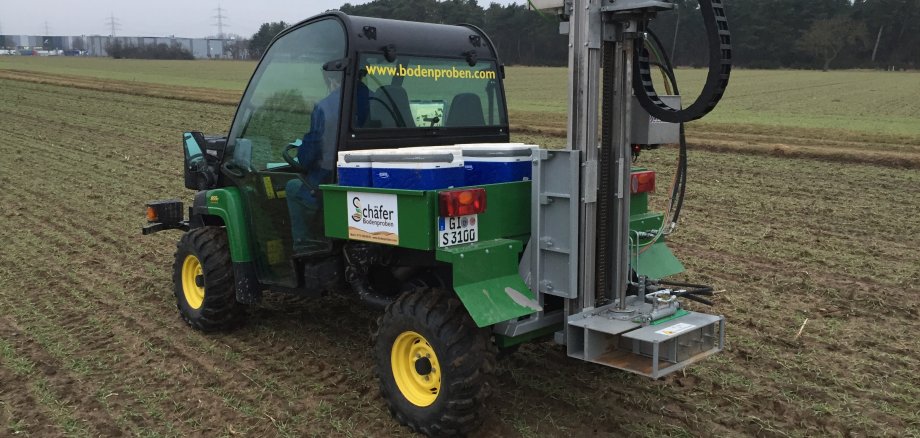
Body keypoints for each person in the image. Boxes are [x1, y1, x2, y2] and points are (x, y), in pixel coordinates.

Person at [285, 67, 369, 255]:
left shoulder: (327, 105)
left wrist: (302, 151)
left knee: (292, 188)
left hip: (330, 178)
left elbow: (308, 157)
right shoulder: (375, 99)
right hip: (364, 177)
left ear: (333, 80)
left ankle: (304, 247)